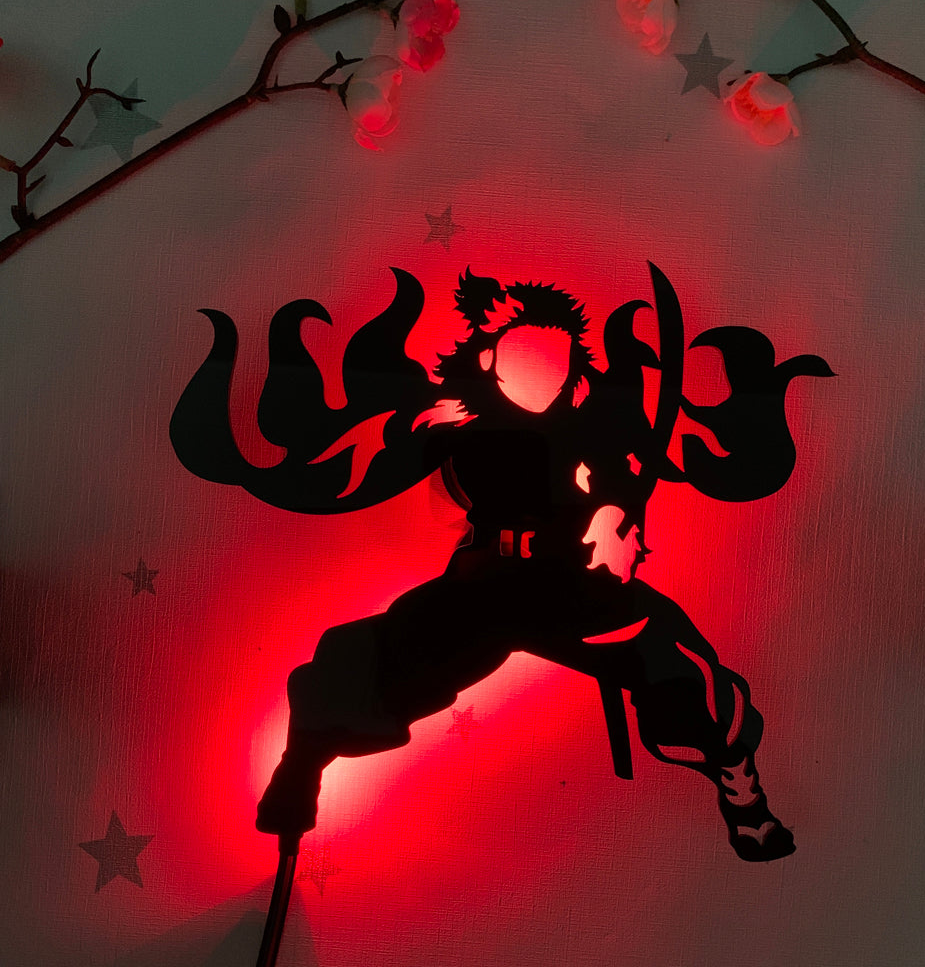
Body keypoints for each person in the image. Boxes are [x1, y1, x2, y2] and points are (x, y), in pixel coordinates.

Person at [171, 265, 832, 862]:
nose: (542, 373)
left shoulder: (595, 422)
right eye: (522, 354)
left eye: (557, 358)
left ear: (574, 363)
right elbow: (359, 459)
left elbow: (622, 470)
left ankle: (739, 787)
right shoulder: (454, 419)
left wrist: (613, 518)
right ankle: (303, 765)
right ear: (488, 357)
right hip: (482, 585)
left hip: (579, 586)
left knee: (676, 658)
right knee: (364, 657)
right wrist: (408, 429)